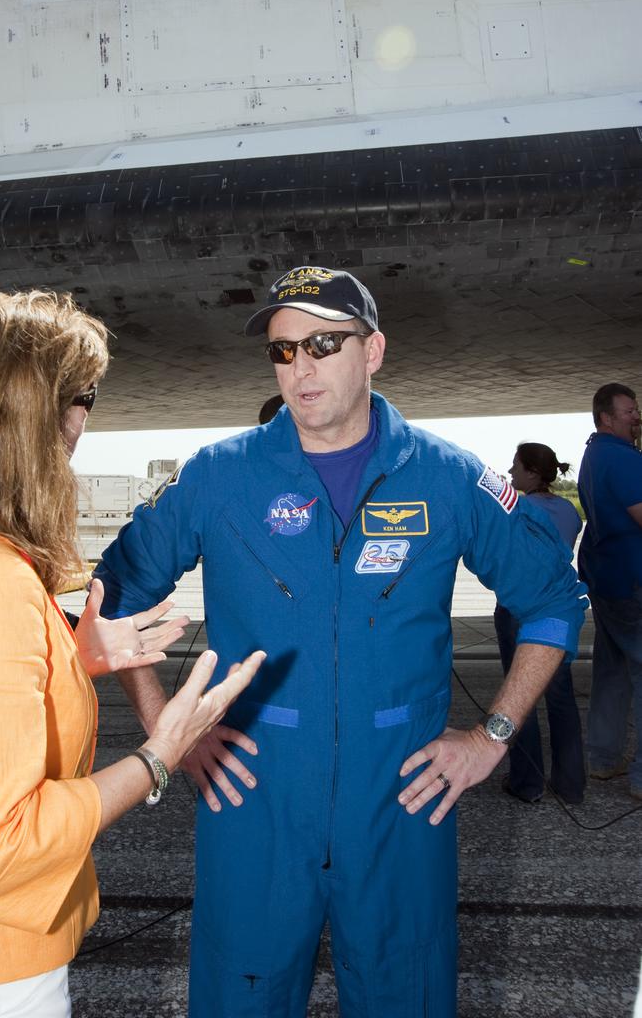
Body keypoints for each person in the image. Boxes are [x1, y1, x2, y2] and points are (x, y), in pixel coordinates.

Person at [96, 265, 587, 1018]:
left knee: (406, 996)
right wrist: (168, 733)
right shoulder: (219, 476)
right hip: (253, 794)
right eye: (282, 351)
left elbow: (552, 597)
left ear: (374, 350)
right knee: (239, 999)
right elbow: (115, 599)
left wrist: (492, 736)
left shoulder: (447, 477)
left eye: (323, 344)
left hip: (401, 799)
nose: (300, 368)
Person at [0, 290, 264, 1018]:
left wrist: (69, 654)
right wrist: (162, 751)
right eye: (85, 396)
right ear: (38, 413)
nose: (86, 421)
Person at [493, 443, 585, 804]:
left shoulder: (519, 510)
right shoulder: (567, 509)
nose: (511, 472)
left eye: (516, 466)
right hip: (558, 609)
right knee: (561, 697)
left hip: (519, 609)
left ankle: (527, 781)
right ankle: (571, 783)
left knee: (520, 696)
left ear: (532, 472)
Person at [577, 382, 642, 800]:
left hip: (605, 579)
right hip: (632, 580)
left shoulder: (594, 454)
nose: (637, 416)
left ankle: (602, 759)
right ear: (606, 417)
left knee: (612, 669)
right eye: (629, 411)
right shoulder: (623, 459)